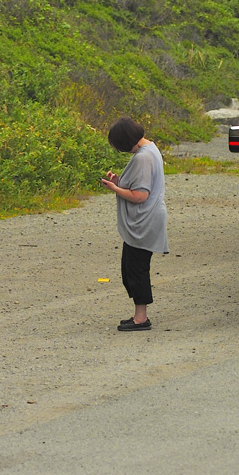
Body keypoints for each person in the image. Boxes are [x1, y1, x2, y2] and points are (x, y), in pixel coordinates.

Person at [99, 117, 169, 331]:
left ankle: (141, 318)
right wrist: (120, 182)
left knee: (136, 269)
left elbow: (139, 195)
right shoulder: (151, 149)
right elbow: (140, 184)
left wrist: (114, 189)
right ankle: (139, 315)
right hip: (147, 219)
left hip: (144, 221)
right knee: (130, 267)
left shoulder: (143, 157)